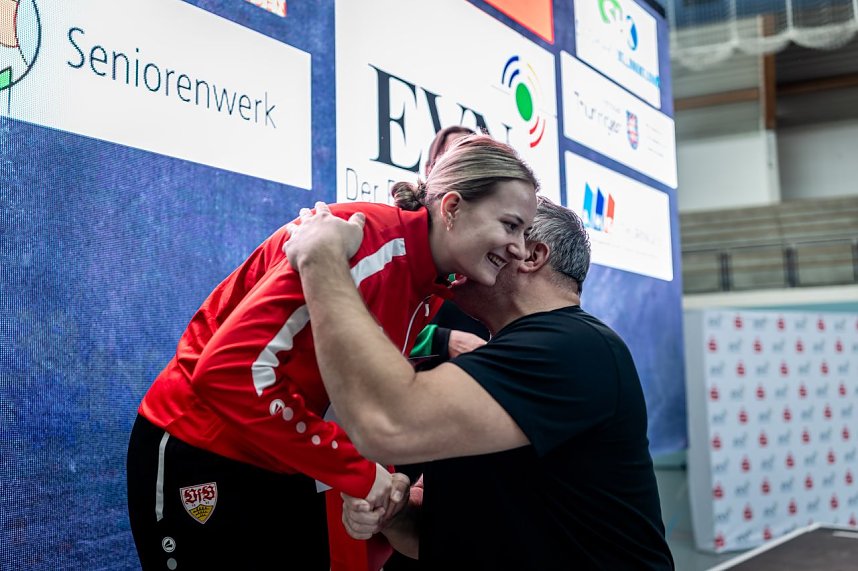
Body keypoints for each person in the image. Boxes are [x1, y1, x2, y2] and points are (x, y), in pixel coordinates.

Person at [125, 135, 539, 570]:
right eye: (510, 225)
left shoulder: (430, 285)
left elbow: (350, 390)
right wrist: (357, 471)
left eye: (525, 232)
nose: (519, 248)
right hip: (204, 445)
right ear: (452, 208)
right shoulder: (358, 240)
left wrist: (369, 476)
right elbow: (227, 372)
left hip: (281, 461)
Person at [283, 197, 675, 570]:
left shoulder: (572, 347)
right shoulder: (510, 357)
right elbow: (437, 539)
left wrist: (323, 261)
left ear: (531, 255)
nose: (456, 247)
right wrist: (395, 513)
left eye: (499, 228)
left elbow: (387, 423)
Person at [410, 125, 490, 370]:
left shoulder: (497, 242)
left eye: (474, 157)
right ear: (429, 170)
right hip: (420, 381)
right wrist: (443, 340)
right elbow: (373, 327)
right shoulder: (405, 234)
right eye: (454, 154)